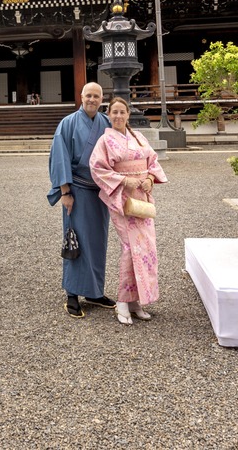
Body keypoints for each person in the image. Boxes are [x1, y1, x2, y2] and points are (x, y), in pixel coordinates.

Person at [89, 96, 167, 325]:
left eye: (122, 112)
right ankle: (123, 301)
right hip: (122, 199)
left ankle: (136, 301)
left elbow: (153, 161)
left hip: (142, 197)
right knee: (129, 246)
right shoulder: (104, 141)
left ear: (128, 115)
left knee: (145, 246)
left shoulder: (138, 137)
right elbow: (97, 168)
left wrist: (150, 179)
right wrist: (124, 180)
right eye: (114, 112)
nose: (118, 116)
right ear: (108, 114)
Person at [47, 82, 116, 318]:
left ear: (102, 99)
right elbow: (60, 157)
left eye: (97, 96)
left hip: (100, 192)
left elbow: (116, 153)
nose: (92, 100)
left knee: (98, 241)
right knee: (75, 240)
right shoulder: (68, 123)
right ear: (81, 97)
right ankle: (72, 294)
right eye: (89, 95)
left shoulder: (106, 123)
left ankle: (94, 292)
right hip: (76, 190)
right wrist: (65, 192)